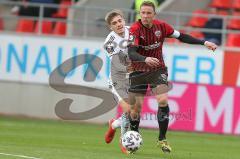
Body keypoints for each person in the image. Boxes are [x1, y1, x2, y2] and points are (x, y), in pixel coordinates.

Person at [127, 1, 217, 153]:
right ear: (139, 14)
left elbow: (182, 36)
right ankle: (134, 136)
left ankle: (162, 139)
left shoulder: (162, 27)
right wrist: (145, 59)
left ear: (154, 15)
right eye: (143, 13)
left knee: (162, 100)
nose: (145, 16)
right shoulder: (135, 29)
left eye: (149, 13)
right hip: (138, 71)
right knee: (136, 109)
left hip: (158, 69)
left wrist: (204, 42)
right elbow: (131, 52)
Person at [103, 9, 133, 154]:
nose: (118, 24)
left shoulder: (133, 31)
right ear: (111, 27)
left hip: (133, 79)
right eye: (114, 23)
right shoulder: (109, 42)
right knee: (127, 109)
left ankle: (113, 124)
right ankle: (123, 141)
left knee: (133, 113)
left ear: (124, 20)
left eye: (120, 21)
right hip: (117, 80)